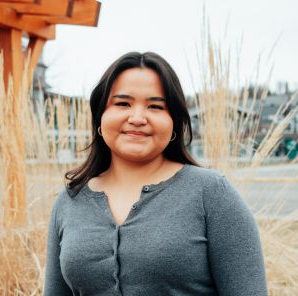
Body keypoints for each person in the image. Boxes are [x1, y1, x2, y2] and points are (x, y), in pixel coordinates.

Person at [44, 52, 268, 295]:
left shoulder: (211, 194)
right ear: (100, 117)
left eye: (155, 106)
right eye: (122, 104)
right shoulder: (70, 201)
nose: (138, 118)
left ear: (174, 122)